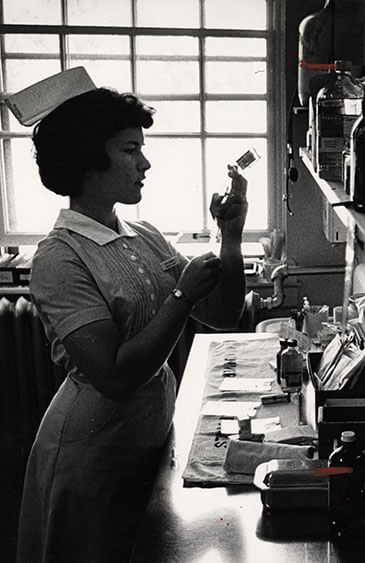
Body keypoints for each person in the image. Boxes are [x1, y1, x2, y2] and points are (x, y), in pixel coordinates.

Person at [16, 87, 248, 562]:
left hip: (149, 437)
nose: (145, 164)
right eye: (130, 150)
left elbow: (223, 315)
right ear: (86, 160)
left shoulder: (142, 234)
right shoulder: (59, 258)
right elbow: (116, 375)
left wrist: (231, 234)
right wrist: (181, 294)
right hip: (92, 451)